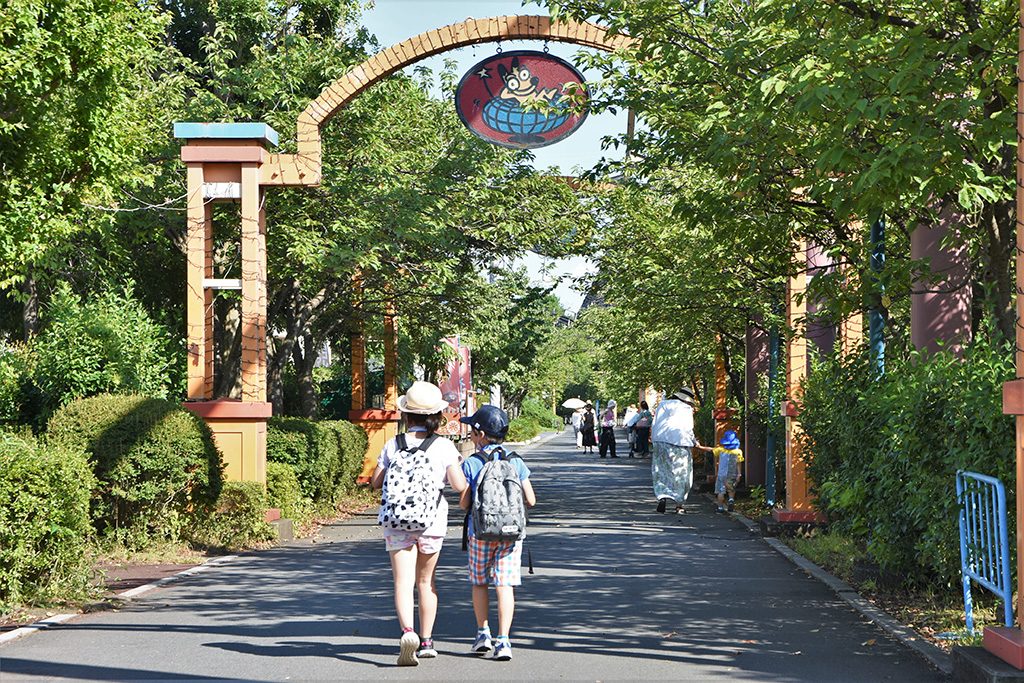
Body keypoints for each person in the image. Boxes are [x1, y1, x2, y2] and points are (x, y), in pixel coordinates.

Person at [371, 381, 468, 666]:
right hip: (431, 523)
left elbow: (376, 482)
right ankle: (426, 641)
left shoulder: (393, 444)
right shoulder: (444, 446)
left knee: (402, 582)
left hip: (396, 522)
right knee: (426, 582)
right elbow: (459, 485)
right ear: (436, 415)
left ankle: (407, 632)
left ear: (406, 414)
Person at [459, 405, 537, 662]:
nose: (470, 435)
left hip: (480, 532)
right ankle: (503, 641)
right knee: (504, 585)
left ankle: (483, 633)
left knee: (480, 582)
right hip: (511, 535)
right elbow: (531, 500)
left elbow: (464, 503)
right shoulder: (516, 461)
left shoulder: (473, 463)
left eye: (472, 431)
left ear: (480, 434)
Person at [650, 389, 697, 514]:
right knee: (681, 473)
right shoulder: (686, 408)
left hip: (660, 441)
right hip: (679, 441)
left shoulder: (662, 404)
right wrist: (694, 441)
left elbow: (655, 423)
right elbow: (688, 428)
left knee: (661, 470)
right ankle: (679, 504)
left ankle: (662, 496)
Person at [694, 430, 743, 513]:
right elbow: (739, 463)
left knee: (721, 491)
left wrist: (700, 446)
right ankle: (731, 500)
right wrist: (739, 474)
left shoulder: (721, 450)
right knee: (731, 489)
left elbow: (710, 449)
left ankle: (720, 507)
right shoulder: (738, 451)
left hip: (721, 474)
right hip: (732, 474)